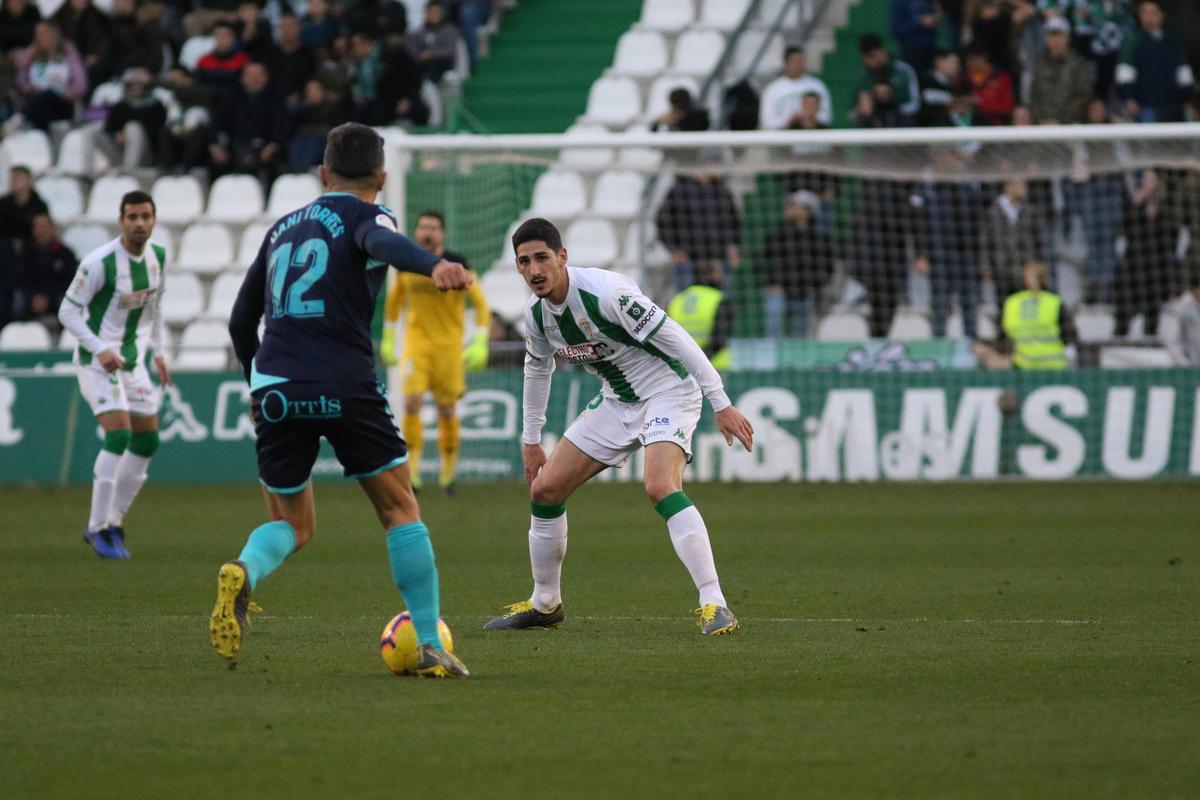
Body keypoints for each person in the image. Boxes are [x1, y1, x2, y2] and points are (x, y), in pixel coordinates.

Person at [213, 122, 473, 677]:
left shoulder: (282, 228)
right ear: (381, 177)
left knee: (294, 523)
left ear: (322, 173)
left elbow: (240, 320)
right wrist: (433, 264)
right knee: (399, 508)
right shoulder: (368, 215)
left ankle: (245, 569)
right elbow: (381, 243)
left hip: (277, 387)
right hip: (346, 384)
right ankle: (429, 644)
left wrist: (253, 383)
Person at [482, 218, 754, 636]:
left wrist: (721, 402)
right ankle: (545, 604)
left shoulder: (607, 294)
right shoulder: (538, 316)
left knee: (660, 486)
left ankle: (714, 602)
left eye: (542, 258)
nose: (535, 269)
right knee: (545, 490)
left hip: (668, 390)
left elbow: (678, 338)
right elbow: (537, 371)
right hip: (617, 399)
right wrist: (531, 440)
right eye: (524, 261)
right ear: (517, 268)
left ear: (562, 257)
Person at [56, 190, 170, 559]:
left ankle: (113, 520)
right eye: (132, 217)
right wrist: (100, 347)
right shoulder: (99, 262)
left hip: (133, 362)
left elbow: (156, 308)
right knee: (119, 433)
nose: (139, 223)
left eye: (146, 216)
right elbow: (67, 311)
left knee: (147, 441)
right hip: (97, 360)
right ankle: (96, 526)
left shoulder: (158, 257)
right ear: (121, 220)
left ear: (154, 220)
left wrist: (160, 353)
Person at [380, 210, 491, 493]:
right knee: (412, 403)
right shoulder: (407, 265)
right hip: (417, 346)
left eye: (433, 227)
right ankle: (412, 471)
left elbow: (480, 304)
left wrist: (479, 340)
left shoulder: (458, 264)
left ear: (442, 233)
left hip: (449, 348)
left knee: (446, 409)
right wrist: (389, 338)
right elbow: (393, 304)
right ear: (417, 232)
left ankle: (448, 472)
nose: (427, 231)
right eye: (423, 226)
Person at [757, 189, 834, 339]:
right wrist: (772, 283)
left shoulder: (818, 240)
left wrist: (814, 285)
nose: (789, 208)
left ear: (807, 211)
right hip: (780, 292)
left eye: (794, 205)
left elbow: (827, 268)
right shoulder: (777, 235)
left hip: (804, 293)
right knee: (774, 308)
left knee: (801, 336)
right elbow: (761, 262)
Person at [1117, 0, 1195, 123]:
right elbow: (1125, 72)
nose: (1149, 17)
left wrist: (1188, 97)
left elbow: (1183, 72)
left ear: (1161, 15)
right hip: (1145, 105)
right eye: (1144, 13)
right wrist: (1129, 98)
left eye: (1153, 12)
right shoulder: (1133, 41)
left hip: (1173, 104)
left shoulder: (1172, 41)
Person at [997, 261, 1076, 370]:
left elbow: (1002, 336)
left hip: (1022, 366)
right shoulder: (1053, 302)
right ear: (1046, 279)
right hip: (1054, 366)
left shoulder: (1011, 302)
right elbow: (1070, 335)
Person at [12, 21, 88, 131]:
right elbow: (20, 78)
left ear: (53, 34)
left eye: (43, 33)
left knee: (48, 95)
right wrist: (29, 87)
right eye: (37, 34)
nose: (39, 37)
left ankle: (19, 118)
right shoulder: (34, 52)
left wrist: (72, 91)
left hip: (63, 101)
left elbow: (81, 82)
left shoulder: (67, 50)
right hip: (38, 101)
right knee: (42, 102)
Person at [668, 259, 733, 369]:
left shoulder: (677, 300)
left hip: (681, 367)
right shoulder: (720, 300)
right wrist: (697, 363)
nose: (722, 277)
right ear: (710, 275)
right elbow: (719, 340)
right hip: (713, 367)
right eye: (718, 272)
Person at [1028, 15, 1093, 124]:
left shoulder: (1079, 64)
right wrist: (1040, 119)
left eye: (1059, 35)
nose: (1055, 40)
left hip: (1070, 124)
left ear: (1068, 37)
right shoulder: (1039, 64)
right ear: (1045, 38)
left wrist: (1060, 121)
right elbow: (1033, 95)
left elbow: (1083, 96)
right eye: (1051, 36)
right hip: (1042, 125)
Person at [13, 212, 76, 322]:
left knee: (67, 305)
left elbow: (68, 281)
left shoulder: (65, 254)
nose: (42, 231)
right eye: (38, 227)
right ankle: (18, 335)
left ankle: (65, 337)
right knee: (18, 303)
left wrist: (47, 297)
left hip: (55, 295)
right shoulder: (25, 253)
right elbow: (21, 279)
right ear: (33, 230)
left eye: (45, 227)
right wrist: (34, 297)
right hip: (32, 296)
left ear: (52, 229)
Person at [851, 33, 920, 123]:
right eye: (865, 57)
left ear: (882, 51)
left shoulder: (904, 72)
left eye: (872, 55)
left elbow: (915, 105)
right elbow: (851, 113)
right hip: (872, 128)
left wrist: (892, 108)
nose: (869, 61)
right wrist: (860, 110)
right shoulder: (862, 80)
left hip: (900, 126)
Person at [758, 47, 833, 129]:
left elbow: (826, 117)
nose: (798, 65)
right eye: (794, 61)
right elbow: (766, 120)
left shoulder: (817, 86)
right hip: (782, 138)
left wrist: (809, 118)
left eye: (801, 61)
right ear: (785, 63)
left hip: (811, 136)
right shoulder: (772, 89)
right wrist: (788, 121)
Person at [404, 0, 461, 82]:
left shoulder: (450, 30)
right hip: (423, 64)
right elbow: (412, 49)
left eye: (436, 12)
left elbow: (450, 51)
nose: (433, 15)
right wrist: (419, 55)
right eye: (430, 12)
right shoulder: (419, 32)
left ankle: (427, 84)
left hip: (443, 63)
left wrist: (431, 54)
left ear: (442, 13)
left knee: (433, 65)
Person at [890, 0, 942, 75]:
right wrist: (920, 22)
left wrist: (936, 17)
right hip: (911, 53)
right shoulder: (899, 2)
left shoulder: (929, 2)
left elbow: (937, 26)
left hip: (932, 52)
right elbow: (896, 30)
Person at [0, 165, 49, 241]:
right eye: (12, 178)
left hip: (32, 247)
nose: (13, 181)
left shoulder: (40, 206)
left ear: (29, 181)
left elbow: (43, 233)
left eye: (18, 178)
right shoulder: (3, 204)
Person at [1163, 274, 1200, 365]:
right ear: (1196, 289)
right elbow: (1171, 341)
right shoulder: (1178, 307)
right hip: (1188, 366)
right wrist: (1185, 365)